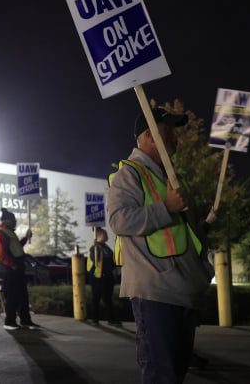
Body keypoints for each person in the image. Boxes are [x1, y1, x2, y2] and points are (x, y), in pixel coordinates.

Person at [107, 107, 214, 384]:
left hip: (181, 292)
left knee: (173, 374)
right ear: (149, 136)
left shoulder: (168, 175)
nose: (176, 138)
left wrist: (204, 228)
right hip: (156, 295)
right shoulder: (130, 173)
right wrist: (166, 207)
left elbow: (182, 233)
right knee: (162, 376)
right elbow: (118, 220)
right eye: (168, 131)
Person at [0, 208, 41, 331]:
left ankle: (26, 320)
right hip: (9, 269)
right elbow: (2, 254)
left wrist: (26, 238)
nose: (15, 222)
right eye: (13, 220)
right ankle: (9, 322)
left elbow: (17, 247)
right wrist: (12, 265)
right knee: (12, 296)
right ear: (6, 221)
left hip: (17, 267)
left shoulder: (9, 232)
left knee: (23, 295)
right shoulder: (0, 233)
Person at [87, 227, 119, 326]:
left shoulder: (106, 248)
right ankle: (95, 320)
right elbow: (95, 259)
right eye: (104, 234)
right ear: (98, 236)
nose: (106, 236)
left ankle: (111, 320)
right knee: (96, 299)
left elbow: (113, 260)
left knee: (108, 299)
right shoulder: (94, 248)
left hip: (107, 277)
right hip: (97, 277)